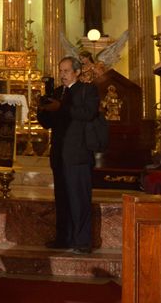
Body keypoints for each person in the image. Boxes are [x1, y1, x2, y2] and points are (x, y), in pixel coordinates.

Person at [37, 56, 100, 254]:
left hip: (78, 154)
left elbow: (88, 113)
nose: (62, 75)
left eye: (66, 71)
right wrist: (42, 108)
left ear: (77, 72)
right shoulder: (57, 92)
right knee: (62, 198)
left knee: (79, 198)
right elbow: (48, 123)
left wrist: (61, 107)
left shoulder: (87, 90)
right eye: (61, 71)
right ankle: (63, 238)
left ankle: (82, 241)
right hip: (60, 154)